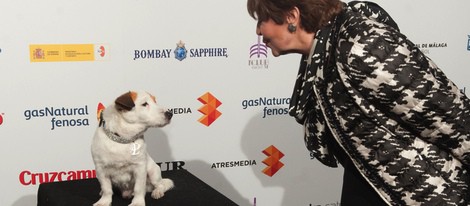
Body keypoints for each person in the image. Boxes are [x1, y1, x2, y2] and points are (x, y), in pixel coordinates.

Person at [247, 0, 470, 205]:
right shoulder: (321, 58)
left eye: (261, 19)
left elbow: (453, 119)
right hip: (372, 187)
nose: (258, 31)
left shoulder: (360, 45)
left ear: (291, 16)